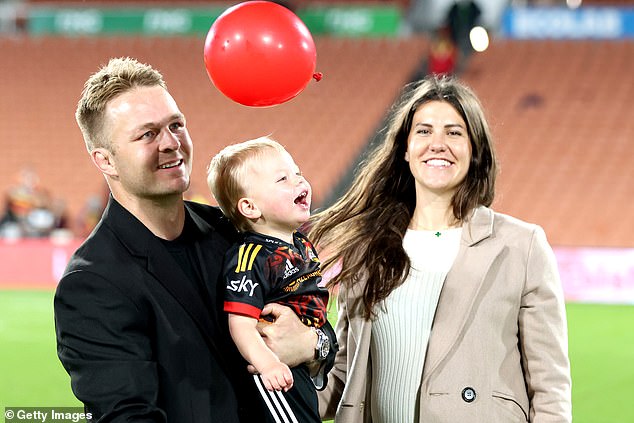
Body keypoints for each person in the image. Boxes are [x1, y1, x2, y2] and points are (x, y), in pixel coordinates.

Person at [54, 57, 329, 423]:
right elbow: (128, 417)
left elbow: (316, 324)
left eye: (176, 125)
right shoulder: (92, 284)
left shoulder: (236, 230)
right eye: (147, 134)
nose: (171, 143)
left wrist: (313, 344)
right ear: (105, 160)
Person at [309, 75, 572, 422]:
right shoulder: (366, 249)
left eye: (454, 132)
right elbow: (345, 375)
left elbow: (550, 389)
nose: (438, 143)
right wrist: (280, 368)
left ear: (475, 150)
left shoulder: (521, 246)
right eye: (423, 131)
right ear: (404, 149)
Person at [207, 137, 334, 423]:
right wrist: (267, 364)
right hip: (273, 379)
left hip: (299, 365)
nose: (299, 182)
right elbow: (240, 323)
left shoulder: (301, 244)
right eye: (283, 179)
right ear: (250, 208)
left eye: (298, 173)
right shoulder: (251, 257)